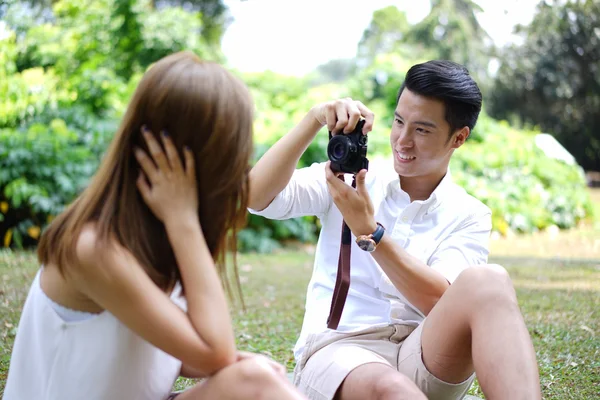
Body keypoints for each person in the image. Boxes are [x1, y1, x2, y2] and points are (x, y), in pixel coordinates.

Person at [3, 51, 306, 400]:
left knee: (253, 378)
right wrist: (183, 221)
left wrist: (239, 363)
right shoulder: (91, 248)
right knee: (253, 380)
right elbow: (213, 353)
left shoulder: (154, 239)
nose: (241, 169)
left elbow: (173, 352)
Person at [248, 60, 542, 400]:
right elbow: (256, 196)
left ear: (458, 138)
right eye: (399, 121)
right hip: (341, 351)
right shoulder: (348, 178)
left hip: (423, 355)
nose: (402, 141)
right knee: (391, 388)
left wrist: (370, 232)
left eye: (422, 130)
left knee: (489, 280)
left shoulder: (469, 214)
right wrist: (314, 119)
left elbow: (439, 300)